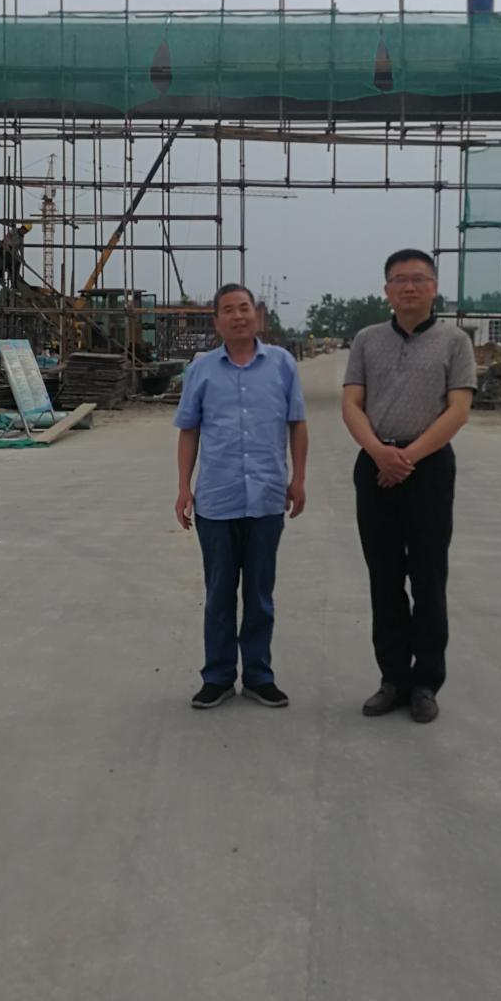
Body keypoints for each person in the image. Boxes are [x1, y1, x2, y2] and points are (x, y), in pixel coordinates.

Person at [342, 249, 476, 724]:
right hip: (375, 467)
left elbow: (458, 409)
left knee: (428, 577)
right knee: (384, 578)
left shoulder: (455, 341)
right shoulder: (367, 340)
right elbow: (351, 403)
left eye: (419, 279)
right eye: (400, 280)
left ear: (434, 287)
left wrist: (408, 457)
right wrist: (379, 453)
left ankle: (426, 683)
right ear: (387, 290)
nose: (410, 287)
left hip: (429, 469)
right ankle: (393, 678)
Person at [175, 283, 308, 710]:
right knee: (219, 593)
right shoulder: (201, 370)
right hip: (217, 499)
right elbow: (189, 430)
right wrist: (183, 487)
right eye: (228, 310)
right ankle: (216, 677)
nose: (238, 316)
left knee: (260, 594)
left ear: (257, 315)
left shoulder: (282, 365)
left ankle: (258, 675)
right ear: (216, 321)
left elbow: (297, 424)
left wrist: (299, 479)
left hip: (267, 497)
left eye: (244, 308)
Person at [0, 221, 32, 288]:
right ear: (22, 228)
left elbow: (20, 248)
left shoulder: (21, 237)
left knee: (17, 263)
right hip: (5, 247)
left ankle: (14, 283)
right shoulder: (14, 231)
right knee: (8, 261)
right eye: (24, 230)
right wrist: (6, 244)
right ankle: (0, 276)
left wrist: (22, 258)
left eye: (26, 232)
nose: (24, 232)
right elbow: (7, 236)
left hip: (12, 250)